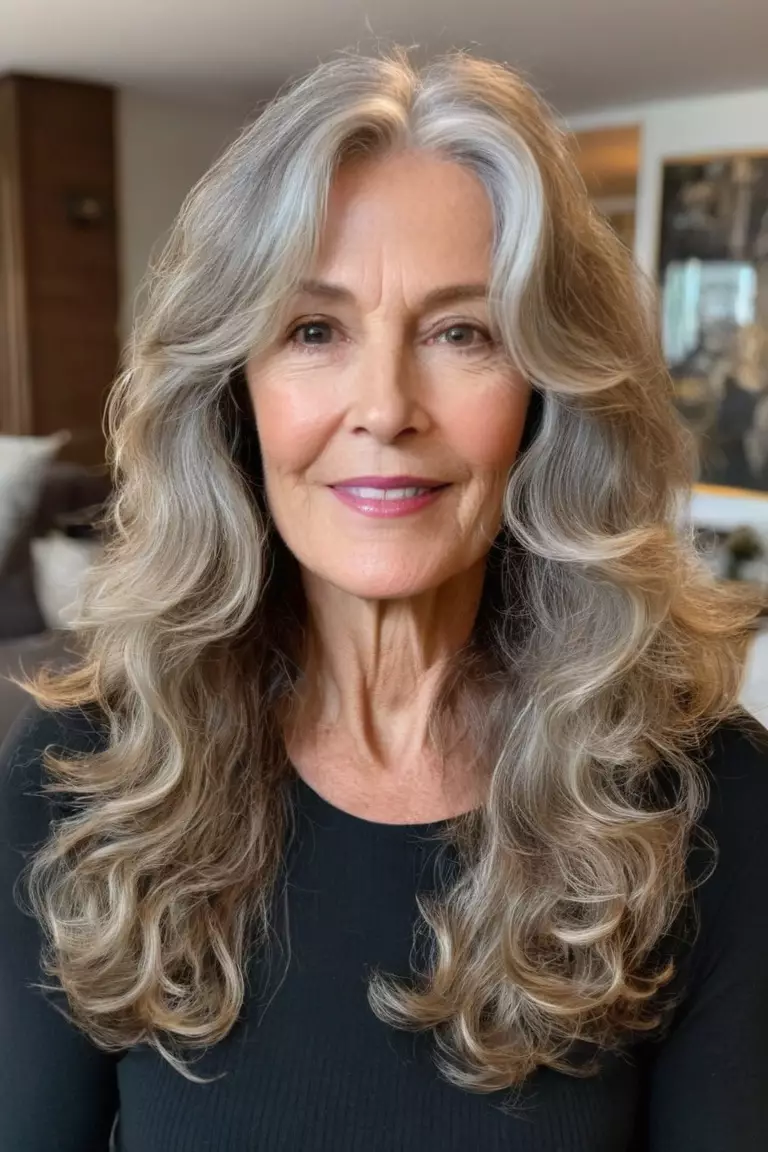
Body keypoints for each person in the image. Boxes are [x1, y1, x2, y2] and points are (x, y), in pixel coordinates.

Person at [1, 49, 767, 1152]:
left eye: (464, 332)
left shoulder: (705, 803)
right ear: (236, 390)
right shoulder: (85, 776)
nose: (386, 406)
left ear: (549, 395)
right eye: (314, 330)